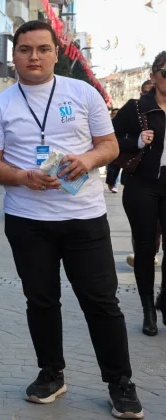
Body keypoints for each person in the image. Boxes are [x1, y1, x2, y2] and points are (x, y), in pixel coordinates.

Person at [0, 21, 144, 419]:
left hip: (83, 217)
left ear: (56, 53)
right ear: (14, 54)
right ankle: (51, 372)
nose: (33, 56)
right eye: (24, 49)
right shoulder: (0, 105)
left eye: (41, 49)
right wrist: (23, 177)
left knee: (101, 301)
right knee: (40, 300)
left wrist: (86, 160)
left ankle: (120, 382)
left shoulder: (82, 93)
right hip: (27, 220)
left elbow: (109, 145)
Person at [114, 51, 166, 337]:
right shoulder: (137, 107)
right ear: (154, 76)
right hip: (142, 185)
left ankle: (165, 300)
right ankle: (148, 310)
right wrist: (135, 140)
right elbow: (108, 139)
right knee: (146, 250)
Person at [124, 79, 161, 269]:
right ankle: (145, 253)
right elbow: (114, 138)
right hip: (141, 180)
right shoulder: (135, 111)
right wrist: (137, 141)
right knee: (147, 226)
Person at [106, 108, 122, 193]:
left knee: (117, 167)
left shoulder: (123, 123)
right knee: (110, 168)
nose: (116, 115)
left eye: (117, 113)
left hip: (120, 148)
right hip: (109, 149)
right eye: (114, 114)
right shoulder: (108, 124)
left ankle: (115, 185)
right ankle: (111, 183)